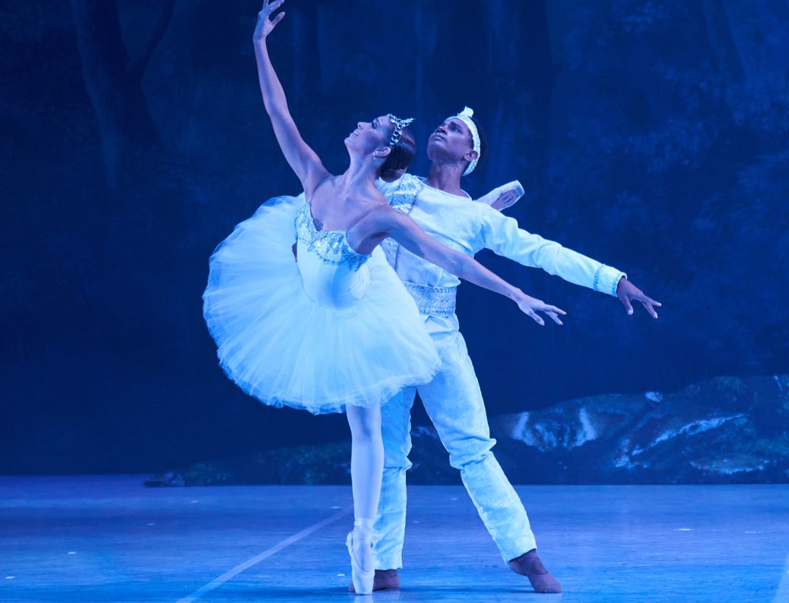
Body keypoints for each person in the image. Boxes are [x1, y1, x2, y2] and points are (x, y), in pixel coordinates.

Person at [202, 2, 566, 595]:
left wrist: (515, 291)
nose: (358, 122)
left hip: (368, 318)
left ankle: (369, 543)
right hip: (311, 303)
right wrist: (258, 44)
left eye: (370, 123)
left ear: (378, 149)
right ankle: (379, 554)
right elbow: (277, 111)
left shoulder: (381, 213)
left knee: (381, 441)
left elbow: (448, 255)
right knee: (378, 446)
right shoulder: (316, 177)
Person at [357, 107, 662, 594]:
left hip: (438, 337)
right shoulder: (396, 187)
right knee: (389, 456)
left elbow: (544, 251)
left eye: (456, 129)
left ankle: (524, 554)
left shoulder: (478, 217)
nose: (444, 127)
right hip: (384, 336)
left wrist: (613, 279)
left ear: (470, 153)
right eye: (443, 124)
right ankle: (384, 562)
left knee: (473, 449)